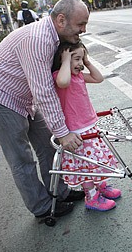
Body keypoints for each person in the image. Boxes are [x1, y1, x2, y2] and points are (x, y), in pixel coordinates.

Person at [0, 0, 90, 219]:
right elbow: (43, 90)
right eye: (80, 24)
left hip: (20, 97)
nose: (83, 30)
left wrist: (59, 131)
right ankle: (42, 208)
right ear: (61, 20)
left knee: (47, 144)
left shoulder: (52, 37)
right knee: (21, 158)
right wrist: (63, 132)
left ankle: (59, 193)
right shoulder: (38, 39)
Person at [52, 41, 121, 211]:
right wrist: (66, 60)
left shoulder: (79, 76)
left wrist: (87, 61)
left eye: (81, 59)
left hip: (88, 125)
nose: (80, 64)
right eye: (76, 59)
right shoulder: (59, 76)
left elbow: (99, 78)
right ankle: (91, 197)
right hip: (75, 131)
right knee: (85, 165)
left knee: (95, 161)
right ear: (63, 59)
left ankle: (100, 186)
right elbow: (62, 82)